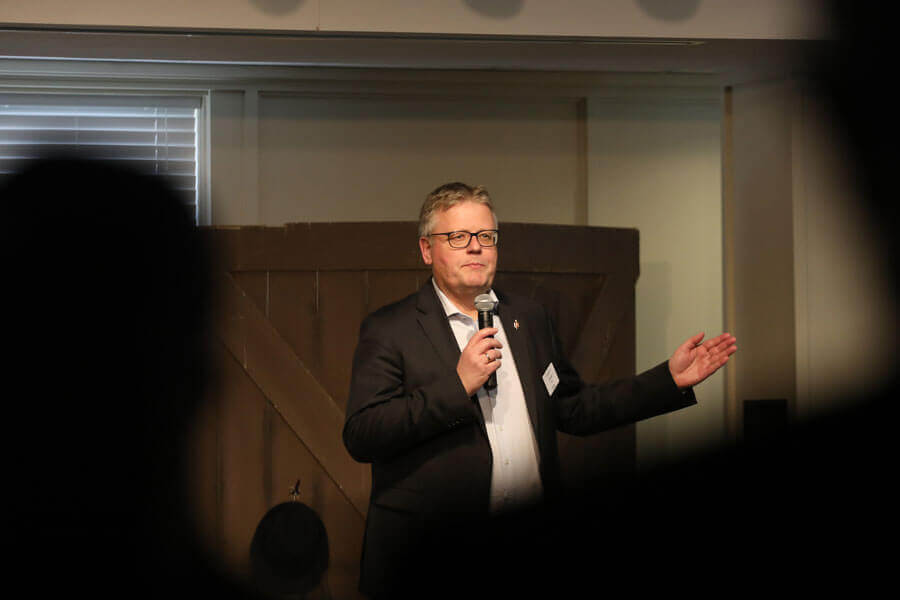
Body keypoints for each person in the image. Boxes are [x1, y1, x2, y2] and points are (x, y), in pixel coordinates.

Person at [342, 182, 737, 598]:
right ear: (426, 250)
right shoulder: (391, 329)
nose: (475, 248)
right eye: (458, 237)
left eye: (486, 237)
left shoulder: (527, 318)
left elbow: (574, 408)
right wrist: (457, 385)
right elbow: (364, 434)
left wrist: (667, 381)